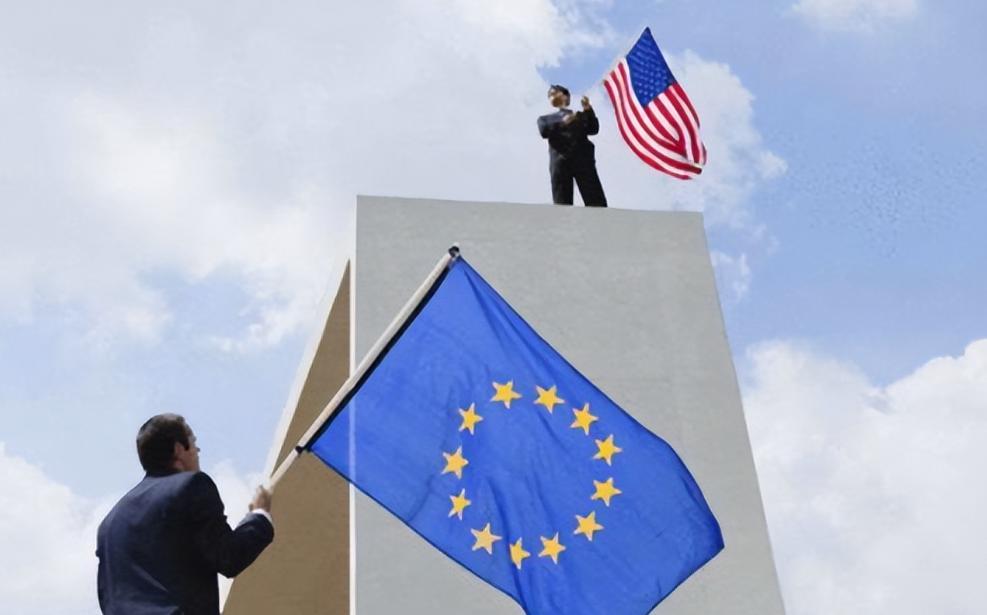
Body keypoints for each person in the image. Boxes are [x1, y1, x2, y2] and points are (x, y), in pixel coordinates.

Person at [96, 414, 274, 615]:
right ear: (179, 449)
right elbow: (228, 557)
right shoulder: (192, 486)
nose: (198, 451)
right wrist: (259, 515)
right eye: (194, 442)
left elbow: (107, 596)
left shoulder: (109, 525)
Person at [537, 84, 608, 207]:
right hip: (560, 162)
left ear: (566, 96)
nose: (552, 96)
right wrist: (563, 122)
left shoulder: (579, 116)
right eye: (550, 95)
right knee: (562, 202)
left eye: (554, 93)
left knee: (595, 200)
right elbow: (544, 131)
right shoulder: (545, 119)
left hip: (583, 161)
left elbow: (593, 128)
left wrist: (588, 110)